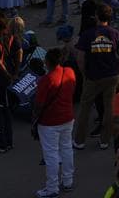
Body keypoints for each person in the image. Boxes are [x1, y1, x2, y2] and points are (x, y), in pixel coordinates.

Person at [73, 3, 119, 150]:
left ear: (96, 16)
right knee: (109, 108)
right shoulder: (116, 34)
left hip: (93, 76)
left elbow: (80, 58)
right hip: (112, 75)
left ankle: (79, 140)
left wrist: (84, 73)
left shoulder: (87, 34)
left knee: (85, 108)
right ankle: (105, 140)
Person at [33, 47, 77, 198]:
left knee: (51, 154)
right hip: (67, 117)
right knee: (67, 148)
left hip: (49, 122)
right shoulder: (69, 72)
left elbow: (39, 104)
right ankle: (68, 181)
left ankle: (52, 188)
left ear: (47, 62)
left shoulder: (47, 80)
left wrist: (34, 118)